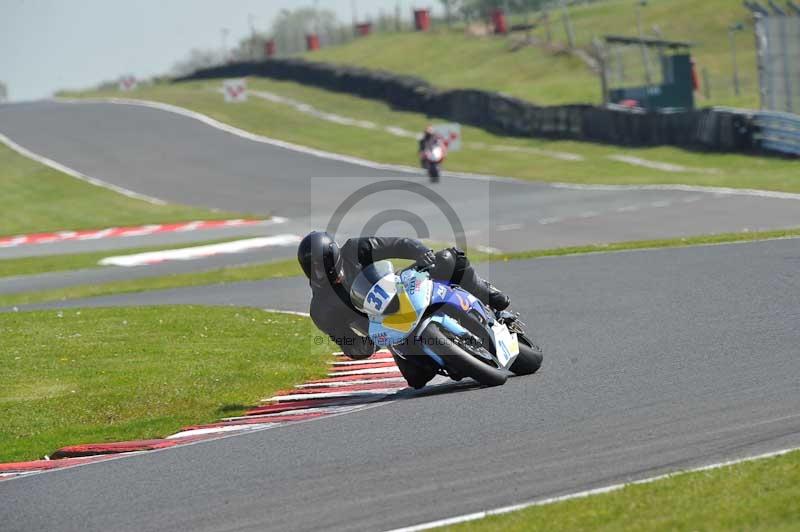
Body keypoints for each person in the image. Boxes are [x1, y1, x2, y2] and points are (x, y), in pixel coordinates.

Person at [297, 231, 510, 364]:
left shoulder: (354, 249)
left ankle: (486, 293)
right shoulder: (320, 308)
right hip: (391, 331)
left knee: (446, 259)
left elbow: (398, 244)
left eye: (322, 264)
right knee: (416, 380)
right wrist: (365, 345)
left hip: (401, 290)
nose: (319, 272)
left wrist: (421, 253)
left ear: (334, 256)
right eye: (313, 268)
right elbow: (347, 342)